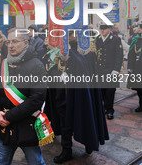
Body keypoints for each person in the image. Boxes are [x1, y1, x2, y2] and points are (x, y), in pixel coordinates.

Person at [46, 32, 108, 163]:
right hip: (63, 93)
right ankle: (67, 150)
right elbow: (49, 68)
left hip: (82, 93)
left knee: (85, 117)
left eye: (72, 33)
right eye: (66, 33)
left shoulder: (87, 52)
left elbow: (88, 70)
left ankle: (89, 142)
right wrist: (58, 74)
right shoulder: (57, 51)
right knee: (65, 123)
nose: (69, 36)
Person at [0, 27, 46, 165]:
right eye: (8, 42)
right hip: (4, 125)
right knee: (1, 161)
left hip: (27, 126)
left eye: (15, 41)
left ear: (26, 43)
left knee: (35, 162)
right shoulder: (5, 63)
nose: (10, 45)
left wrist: (8, 117)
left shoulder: (37, 66)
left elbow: (36, 100)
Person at [95, 22, 123, 120]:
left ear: (109, 29)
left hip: (111, 71)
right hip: (100, 71)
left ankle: (110, 110)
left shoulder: (115, 39)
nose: (102, 30)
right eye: (101, 28)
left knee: (110, 92)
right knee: (101, 91)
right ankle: (104, 108)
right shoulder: (97, 39)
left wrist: (116, 70)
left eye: (104, 28)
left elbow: (119, 56)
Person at [127, 21, 142, 112]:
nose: (139, 29)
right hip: (137, 68)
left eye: (140, 27)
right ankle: (141, 104)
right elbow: (131, 54)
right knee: (139, 88)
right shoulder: (135, 39)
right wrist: (130, 67)